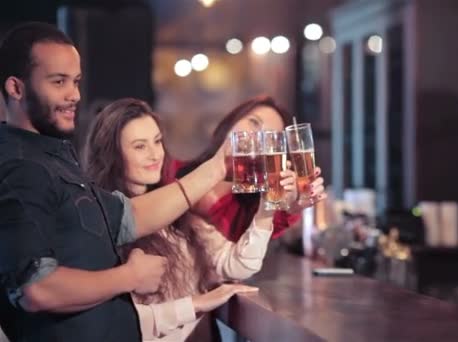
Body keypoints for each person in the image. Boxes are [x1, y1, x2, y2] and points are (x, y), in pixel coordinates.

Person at [0, 22, 226, 341]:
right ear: (16, 88)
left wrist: (218, 167)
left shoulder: (51, 157)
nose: (74, 95)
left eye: (76, 82)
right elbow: (37, 289)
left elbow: (130, 216)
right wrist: (128, 277)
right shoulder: (20, 166)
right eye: (59, 82)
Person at [84, 98, 275, 341]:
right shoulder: (101, 221)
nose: (155, 154)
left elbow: (239, 264)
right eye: (140, 146)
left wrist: (268, 206)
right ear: (112, 155)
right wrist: (198, 303)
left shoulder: (177, 214)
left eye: (157, 141)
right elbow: (114, 323)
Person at [173, 95, 327, 243]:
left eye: (268, 136)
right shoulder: (170, 171)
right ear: (232, 121)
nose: (257, 137)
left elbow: (264, 231)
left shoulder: (251, 210)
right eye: (254, 122)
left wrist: (290, 205)